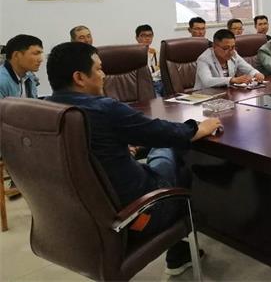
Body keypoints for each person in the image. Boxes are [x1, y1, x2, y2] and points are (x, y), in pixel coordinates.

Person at [45, 41, 221, 275]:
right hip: (139, 214)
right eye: (99, 69)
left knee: (157, 149)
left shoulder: (45, 109)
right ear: (79, 77)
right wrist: (199, 127)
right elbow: (163, 133)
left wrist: (115, 145)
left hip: (78, 221)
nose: (104, 75)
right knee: (170, 151)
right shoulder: (103, 109)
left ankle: (179, 252)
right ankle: (193, 242)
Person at [194, 29, 264, 89]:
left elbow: (249, 69)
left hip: (226, 93)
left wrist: (256, 74)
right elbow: (207, 81)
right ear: (214, 46)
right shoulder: (204, 59)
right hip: (204, 95)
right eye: (225, 48)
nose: (230, 52)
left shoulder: (234, 54)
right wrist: (232, 80)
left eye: (233, 47)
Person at [0, 34, 43, 98]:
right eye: (35, 53)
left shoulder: (30, 77)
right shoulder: (2, 81)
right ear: (16, 55)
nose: (41, 59)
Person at [135, 24, 163, 96]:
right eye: (143, 35)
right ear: (137, 38)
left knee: (175, 96)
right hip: (147, 85)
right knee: (158, 101)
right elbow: (143, 74)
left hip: (161, 82)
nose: (147, 38)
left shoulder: (155, 52)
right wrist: (154, 69)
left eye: (150, 35)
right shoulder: (134, 54)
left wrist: (153, 70)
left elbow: (162, 70)